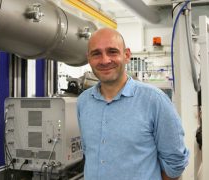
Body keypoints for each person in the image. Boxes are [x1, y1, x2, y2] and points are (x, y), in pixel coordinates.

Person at [77, 28, 189, 180]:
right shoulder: (83, 102)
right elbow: (88, 152)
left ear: (127, 55)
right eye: (96, 53)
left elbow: (175, 165)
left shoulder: (154, 101)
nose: (105, 60)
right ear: (89, 58)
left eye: (112, 51)